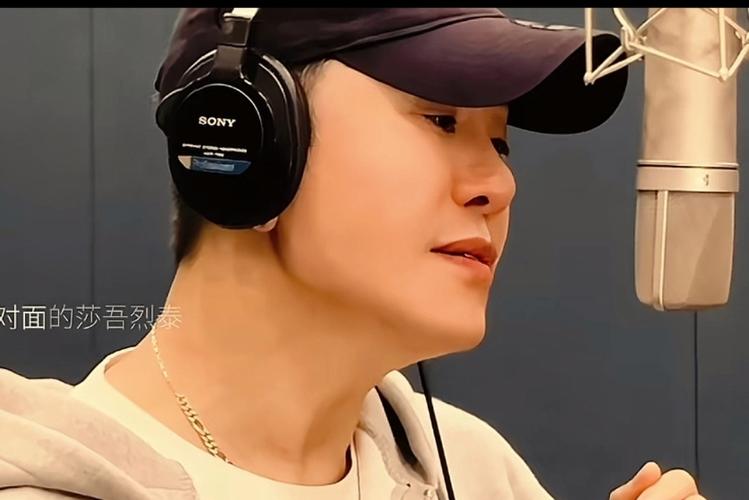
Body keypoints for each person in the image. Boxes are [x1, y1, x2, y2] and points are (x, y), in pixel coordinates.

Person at [0, 7, 705, 500]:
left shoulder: (475, 472)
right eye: (441, 119)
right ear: (247, 141)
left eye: (499, 141)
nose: (498, 184)